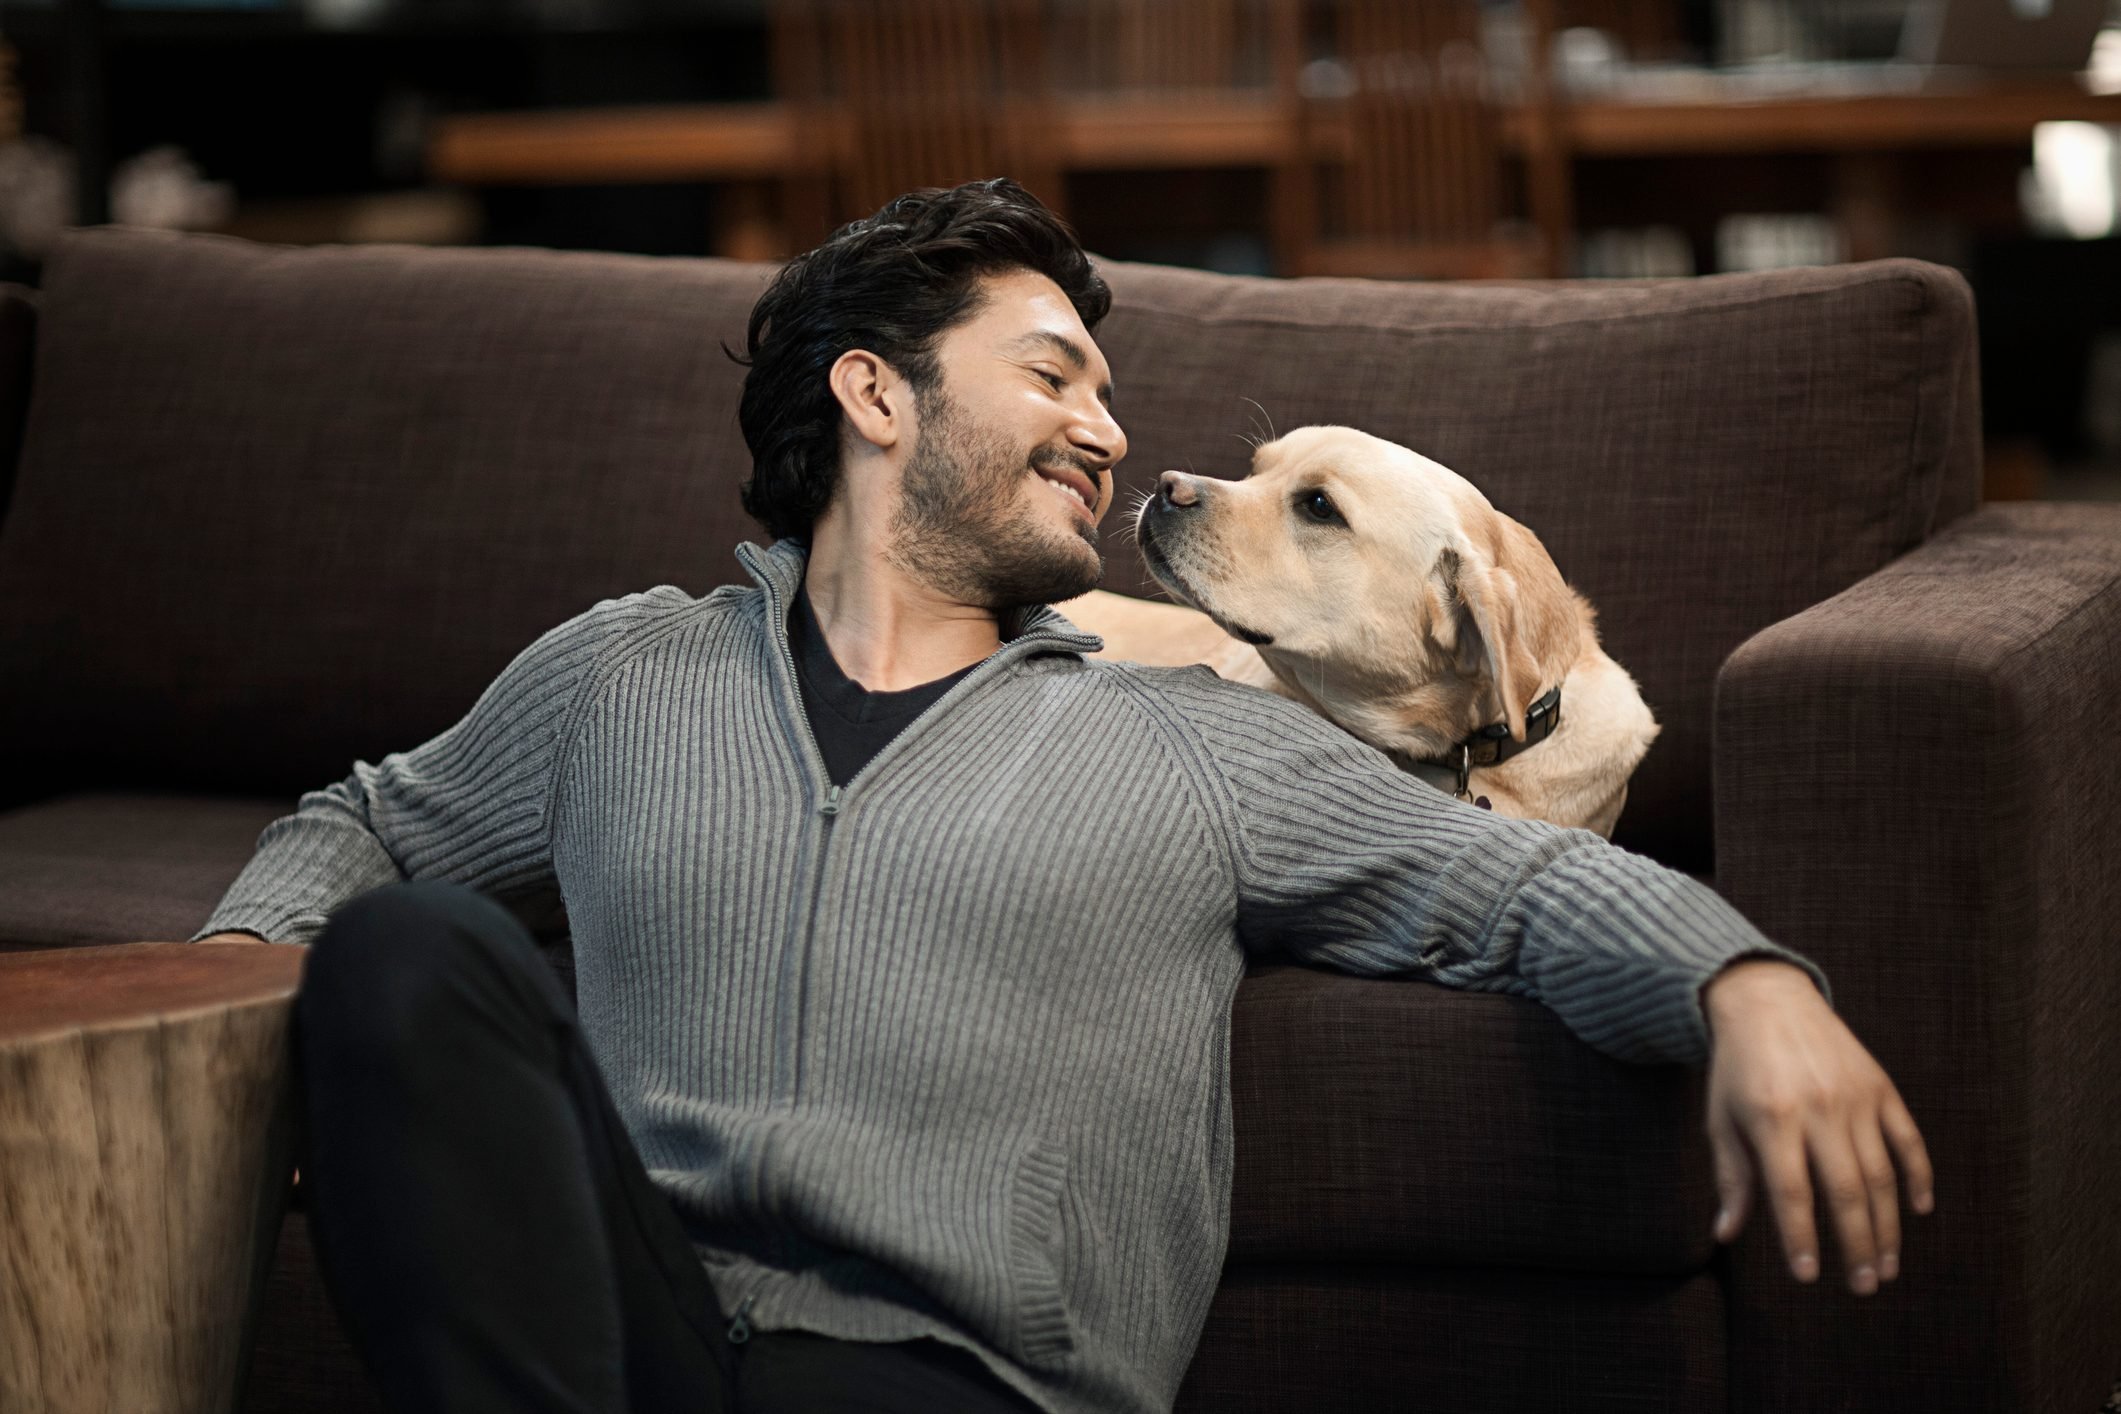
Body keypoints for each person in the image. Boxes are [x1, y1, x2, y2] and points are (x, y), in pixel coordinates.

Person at [194, 178, 1934, 1414]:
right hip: (626, 1328)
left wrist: (1746, 982)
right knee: (402, 951)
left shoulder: (1194, 729)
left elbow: (1517, 891)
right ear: (873, 394)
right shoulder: (623, 671)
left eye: (1105, 387)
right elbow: (367, 823)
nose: (1111, 431)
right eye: (1051, 373)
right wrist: (221, 993)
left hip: (950, 1372)